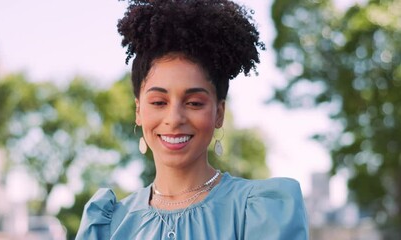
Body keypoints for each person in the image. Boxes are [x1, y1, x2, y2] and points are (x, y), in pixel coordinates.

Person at [76, 0, 309, 239]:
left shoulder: (258, 212)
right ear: (138, 110)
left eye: (194, 103)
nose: (174, 119)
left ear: (219, 113)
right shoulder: (108, 224)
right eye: (159, 102)